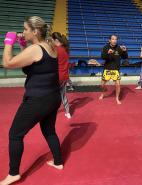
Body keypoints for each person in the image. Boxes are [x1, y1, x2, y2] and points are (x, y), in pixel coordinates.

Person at [1, 16, 63, 185]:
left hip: (38, 99)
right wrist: (22, 44)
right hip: (53, 97)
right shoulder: (49, 45)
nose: (23, 32)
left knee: (15, 134)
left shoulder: (36, 49)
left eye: (26, 29)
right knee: (49, 131)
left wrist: (8, 41)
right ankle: (58, 162)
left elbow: (7, 63)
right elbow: (31, 67)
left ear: (35, 31)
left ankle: (14, 173)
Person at [99, 35, 128, 104]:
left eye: (116, 39)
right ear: (109, 40)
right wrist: (107, 53)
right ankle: (102, 94)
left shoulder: (119, 48)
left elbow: (125, 57)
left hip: (116, 69)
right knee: (102, 85)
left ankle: (117, 98)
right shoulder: (105, 47)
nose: (114, 41)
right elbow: (102, 57)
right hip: (107, 69)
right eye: (113, 39)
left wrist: (124, 51)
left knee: (118, 84)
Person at [52, 32, 71, 119]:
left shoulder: (56, 50)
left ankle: (50, 112)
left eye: (52, 40)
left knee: (51, 95)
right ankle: (67, 112)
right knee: (63, 95)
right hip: (65, 76)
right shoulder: (65, 49)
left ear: (56, 40)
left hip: (57, 76)